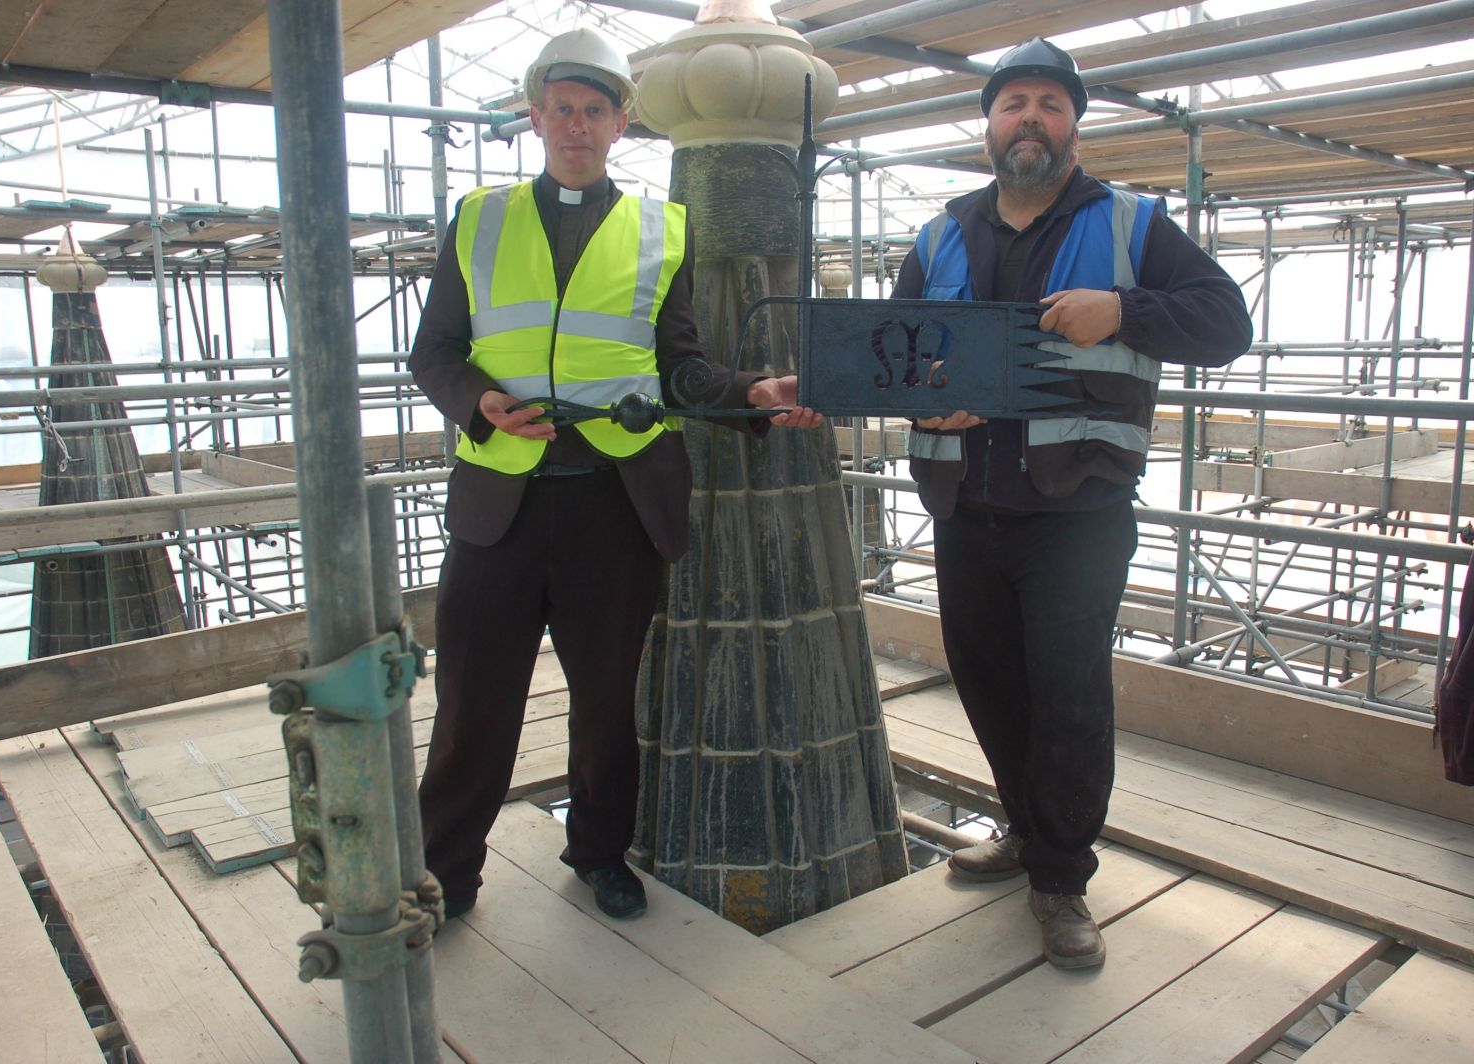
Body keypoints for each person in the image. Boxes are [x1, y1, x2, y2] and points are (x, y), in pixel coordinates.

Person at [410, 27, 819, 922]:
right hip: (500, 507)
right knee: (473, 709)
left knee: (605, 705)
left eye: (595, 111)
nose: (578, 125)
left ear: (622, 124)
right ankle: (445, 879)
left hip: (614, 503)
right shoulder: (479, 219)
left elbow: (679, 367)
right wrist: (479, 401)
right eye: (562, 108)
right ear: (536, 117)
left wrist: (752, 391)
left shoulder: (658, 228)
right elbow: (432, 352)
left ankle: (598, 853)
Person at [892, 38, 1251, 968]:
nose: (1031, 120)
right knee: (990, 686)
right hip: (966, 505)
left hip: (1079, 512)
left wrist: (1124, 311)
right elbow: (890, 356)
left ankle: (1060, 879)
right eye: (1014, 103)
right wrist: (928, 391)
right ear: (989, 124)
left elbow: (1225, 322)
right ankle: (1024, 829)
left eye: (1050, 104)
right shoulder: (939, 234)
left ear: (1074, 125)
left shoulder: (1132, 225)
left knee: (1070, 699)